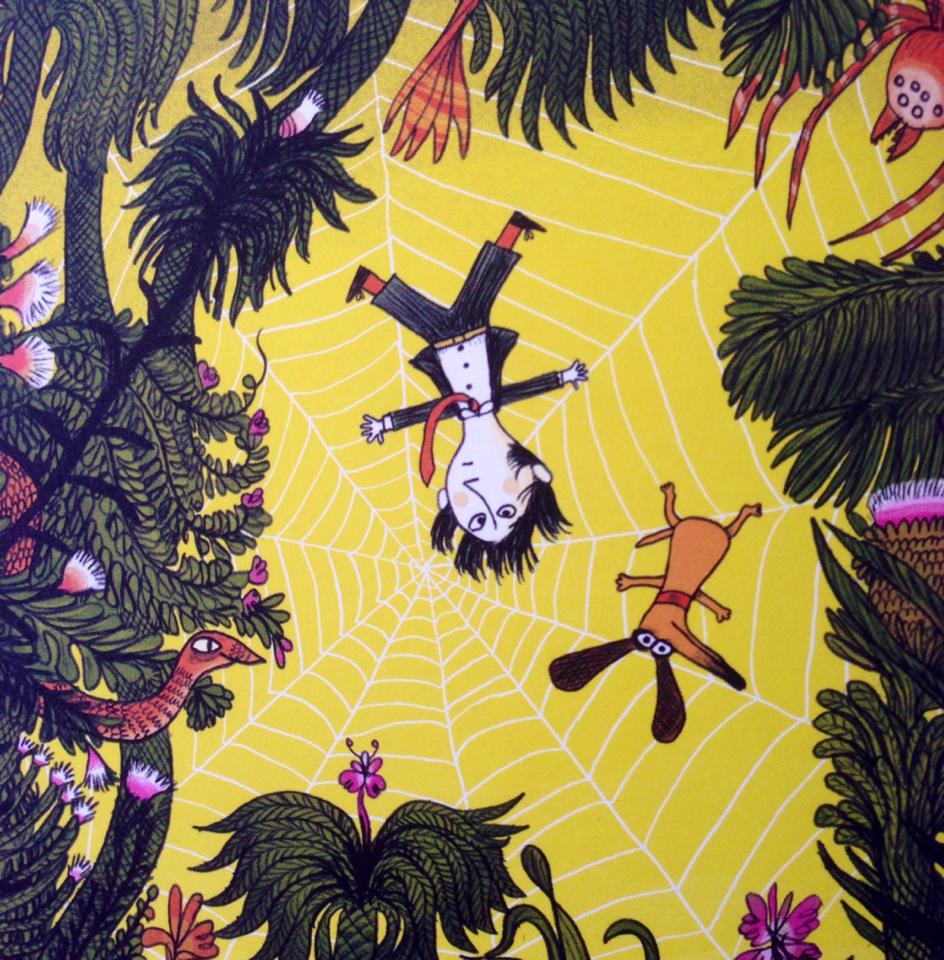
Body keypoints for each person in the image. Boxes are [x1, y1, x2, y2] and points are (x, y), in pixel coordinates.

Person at [349, 211, 589, 580]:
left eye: (476, 519)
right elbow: (523, 390)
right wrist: (563, 377)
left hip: (446, 342)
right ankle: (510, 231)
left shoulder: (458, 411)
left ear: (446, 501)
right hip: (474, 334)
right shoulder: (491, 402)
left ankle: (372, 282)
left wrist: (387, 424)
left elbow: (430, 411)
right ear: (535, 473)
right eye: (505, 511)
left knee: (442, 305)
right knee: (474, 293)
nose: (484, 500)